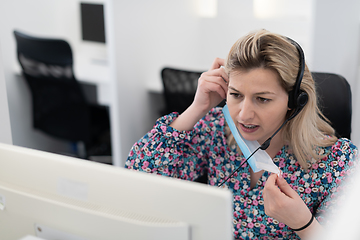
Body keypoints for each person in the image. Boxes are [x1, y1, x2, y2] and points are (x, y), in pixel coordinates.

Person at [125, 29, 358, 239]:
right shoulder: (216, 129)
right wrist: (198, 108)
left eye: (262, 99)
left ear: (295, 102)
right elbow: (139, 178)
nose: (244, 115)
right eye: (236, 95)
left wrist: (303, 224)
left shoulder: (338, 161)